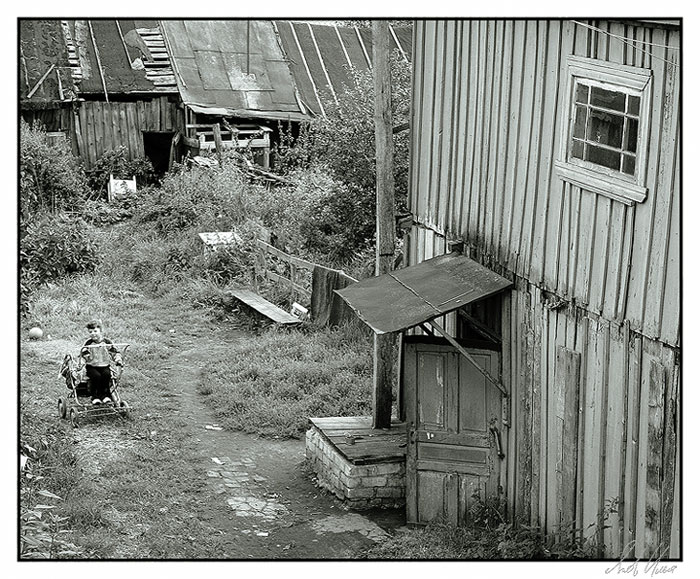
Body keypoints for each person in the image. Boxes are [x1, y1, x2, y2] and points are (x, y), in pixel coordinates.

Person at [80, 319, 122, 405]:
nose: (93, 333)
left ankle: (106, 395)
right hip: (92, 366)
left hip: (104, 365)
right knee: (96, 376)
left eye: (95, 331)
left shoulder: (106, 342)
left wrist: (118, 359)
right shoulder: (88, 343)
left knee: (107, 375)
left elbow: (114, 352)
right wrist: (84, 359)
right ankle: (95, 396)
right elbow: (83, 354)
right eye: (90, 332)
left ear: (101, 331)